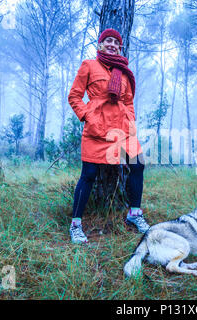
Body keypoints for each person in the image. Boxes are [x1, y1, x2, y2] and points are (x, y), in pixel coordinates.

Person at [67, 28, 149, 244]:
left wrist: (130, 119)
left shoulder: (123, 71)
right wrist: (87, 116)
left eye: (116, 42)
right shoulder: (89, 65)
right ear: (100, 45)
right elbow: (74, 95)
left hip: (122, 128)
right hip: (97, 127)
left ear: (120, 47)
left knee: (138, 164)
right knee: (89, 174)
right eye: (108, 41)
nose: (112, 44)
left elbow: (129, 101)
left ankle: (134, 214)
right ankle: (76, 225)